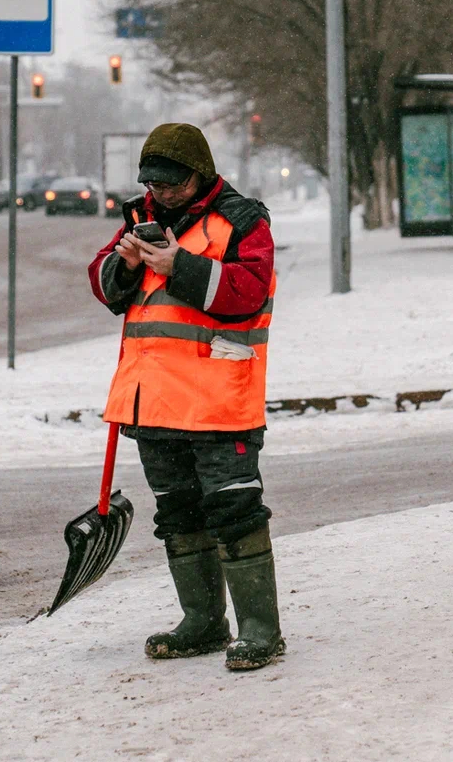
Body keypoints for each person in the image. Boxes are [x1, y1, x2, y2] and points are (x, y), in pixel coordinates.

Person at [88, 122, 283, 671]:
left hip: (220, 398)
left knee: (236, 510)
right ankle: (202, 623)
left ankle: (260, 631)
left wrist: (182, 267)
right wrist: (123, 264)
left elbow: (248, 292)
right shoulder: (139, 218)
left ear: (199, 175)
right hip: (153, 401)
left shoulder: (243, 221)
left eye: (172, 185)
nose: (162, 195)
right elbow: (103, 286)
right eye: (155, 185)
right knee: (178, 514)